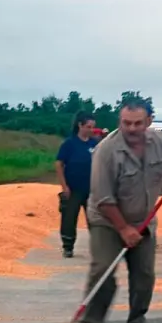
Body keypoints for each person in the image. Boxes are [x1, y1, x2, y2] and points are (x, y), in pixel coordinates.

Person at [77, 98, 162, 323]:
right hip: (107, 221)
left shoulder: (160, 141)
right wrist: (123, 228)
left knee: (144, 275)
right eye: (125, 123)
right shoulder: (105, 151)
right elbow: (103, 198)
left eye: (137, 123)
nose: (130, 128)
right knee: (103, 270)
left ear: (148, 122)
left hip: (144, 219)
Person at [56, 111, 98, 258]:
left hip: (92, 189)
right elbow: (59, 164)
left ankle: (99, 248)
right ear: (80, 125)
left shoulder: (95, 144)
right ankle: (68, 246)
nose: (91, 130)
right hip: (73, 188)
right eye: (88, 126)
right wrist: (64, 186)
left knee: (95, 220)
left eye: (93, 127)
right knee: (69, 218)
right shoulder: (69, 144)